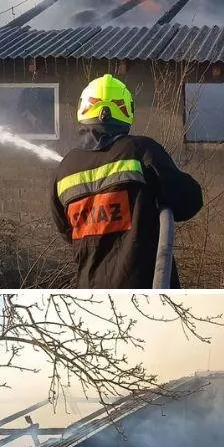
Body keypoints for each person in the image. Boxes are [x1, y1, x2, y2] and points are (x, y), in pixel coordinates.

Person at [51, 75, 203, 289]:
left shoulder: (64, 169)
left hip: (89, 292)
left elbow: (67, 231)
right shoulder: (141, 151)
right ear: (126, 112)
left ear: (83, 110)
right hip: (143, 290)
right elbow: (190, 201)